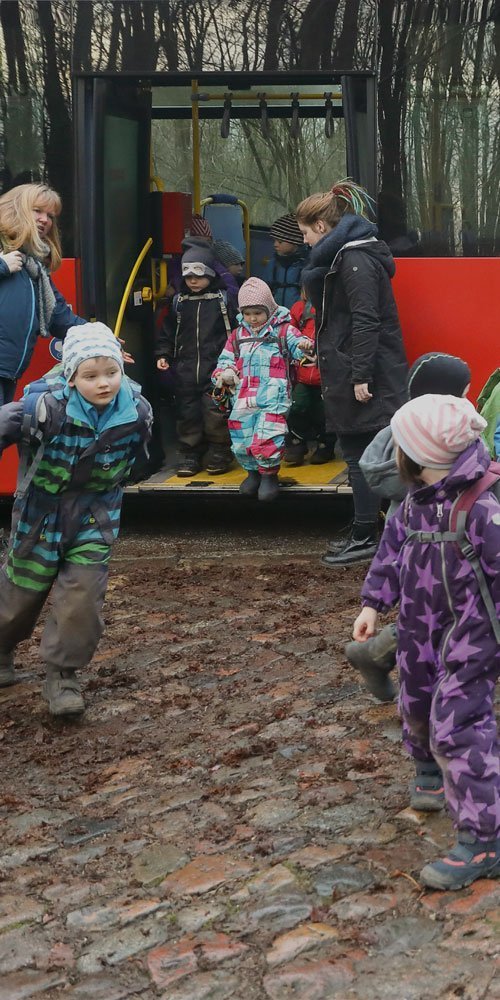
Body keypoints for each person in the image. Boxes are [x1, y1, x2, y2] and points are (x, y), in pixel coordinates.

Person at [352, 394, 500, 891]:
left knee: (459, 725)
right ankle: (428, 770)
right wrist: (374, 601)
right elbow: (392, 551)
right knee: (415, 702)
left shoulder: (483, 507)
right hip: (419, 629)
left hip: (473, 637)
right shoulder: (415, 502)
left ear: (417, 454)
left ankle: (484, 839)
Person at [0, 323, 152, 716]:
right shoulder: (42, 408)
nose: (104, 383)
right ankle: (1, 649)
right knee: (20, 593)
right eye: (90, 376)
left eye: (112, 372)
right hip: (41, 513)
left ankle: (62, 676)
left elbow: (138, 460)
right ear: (70, 377)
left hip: (95, 514)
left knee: (82, 595)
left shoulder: (135, 411)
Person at [346, 352, 472, 703]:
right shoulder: (444, 449)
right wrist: (373, 603)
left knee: (434, 617)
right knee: (436, 621)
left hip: (440, 570)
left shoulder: (404, 437)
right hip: (440, 562)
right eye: (463, 393)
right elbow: (392, 550)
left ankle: (373, 655)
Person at [296, 179, 408, 566]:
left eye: (306, 233)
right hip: (354, 368)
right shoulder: (350, 256)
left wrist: (360, 375)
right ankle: (368, 531)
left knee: (363, 456)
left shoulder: (353, 260)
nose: (305, 242)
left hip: (362, 374)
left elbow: (366, 321)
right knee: (364, 456)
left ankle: (368, 536)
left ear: (322, 228)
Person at [212, 277, 311, 502]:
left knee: (268, 436)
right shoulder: (237, 336)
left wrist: (305, 346)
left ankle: (269, 475)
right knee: (241, 437)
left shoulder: (284, 331)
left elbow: (301, 349)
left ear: (269, 308)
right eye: (247, 313)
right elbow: (225, 361)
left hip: (273, 397)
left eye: (258, 312)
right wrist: (225, 373)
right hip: (243, 397)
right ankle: (252, 473)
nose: (252, 318)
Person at [0, 183, 88, 405]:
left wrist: (99, 337)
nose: (45, 220)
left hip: (8, 371)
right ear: (15, 209)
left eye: (51, 215)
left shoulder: (34, 267)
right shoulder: (6, 255)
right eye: (37, 211)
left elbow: (59, 316)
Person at [155, 245, 235, 477]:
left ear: (210, 274)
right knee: (187, 412)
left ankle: (220, 450)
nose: (193, 281)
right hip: (186, 368)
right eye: (188, 276)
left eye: (198, 276)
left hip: (216, 367)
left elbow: (235, 331)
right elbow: (168, 333)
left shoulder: (223, 301)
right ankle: (190, 452)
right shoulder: (179, 303)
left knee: (216, 411)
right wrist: (163, 354)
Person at [284, 289, 336, 466]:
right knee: (297, 407)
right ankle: (297, 443)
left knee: (324, 413)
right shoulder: (300, 308)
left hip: (327, 376)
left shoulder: (336, 306)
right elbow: (288, 331)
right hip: (303, 373)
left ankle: (325, 445)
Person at [262, 214, 309, 309]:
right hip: (276, 314)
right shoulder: (273, 264)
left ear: (295, 242)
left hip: (299, 314)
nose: (275, 245)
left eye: (280, 241)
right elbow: (265, 287)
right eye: (274, 240)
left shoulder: (306, 264)